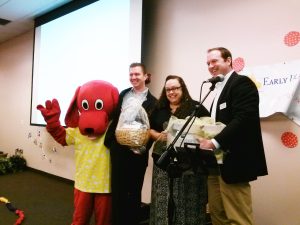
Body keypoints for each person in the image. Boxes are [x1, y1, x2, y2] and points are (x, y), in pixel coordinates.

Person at [198, 47, 268, 225]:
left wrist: (214, 142)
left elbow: (244, 118)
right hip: (215, 165)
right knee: (217, 216)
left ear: (228, 60)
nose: (211, 66)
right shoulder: (217, 90)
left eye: (215, 61)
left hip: (235, 163)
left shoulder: (241, 83)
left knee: (238, 219)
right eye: (208, 63)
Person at [149, 75, 210, 225]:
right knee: (162, 204)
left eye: (175, 88)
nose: (171, 92)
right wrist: (158, 135)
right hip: (162, 163)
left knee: (188, 203)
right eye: (168, 89)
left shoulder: (196, 108)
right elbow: (149, 128)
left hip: (188, 166)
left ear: (182, 88)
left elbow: (208, 131)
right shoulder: (159, 108)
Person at [104, 62, 157, 225]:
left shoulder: (153, 102)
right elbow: (114, 117)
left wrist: (141, 148)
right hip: (118, 149)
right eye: (131, 74)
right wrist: (111, 142)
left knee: (134, 191)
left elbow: (151, 128)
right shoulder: (123, 94)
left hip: (137, 154)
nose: (133, 77)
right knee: (118, 190)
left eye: (137, 74)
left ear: (145, 76)